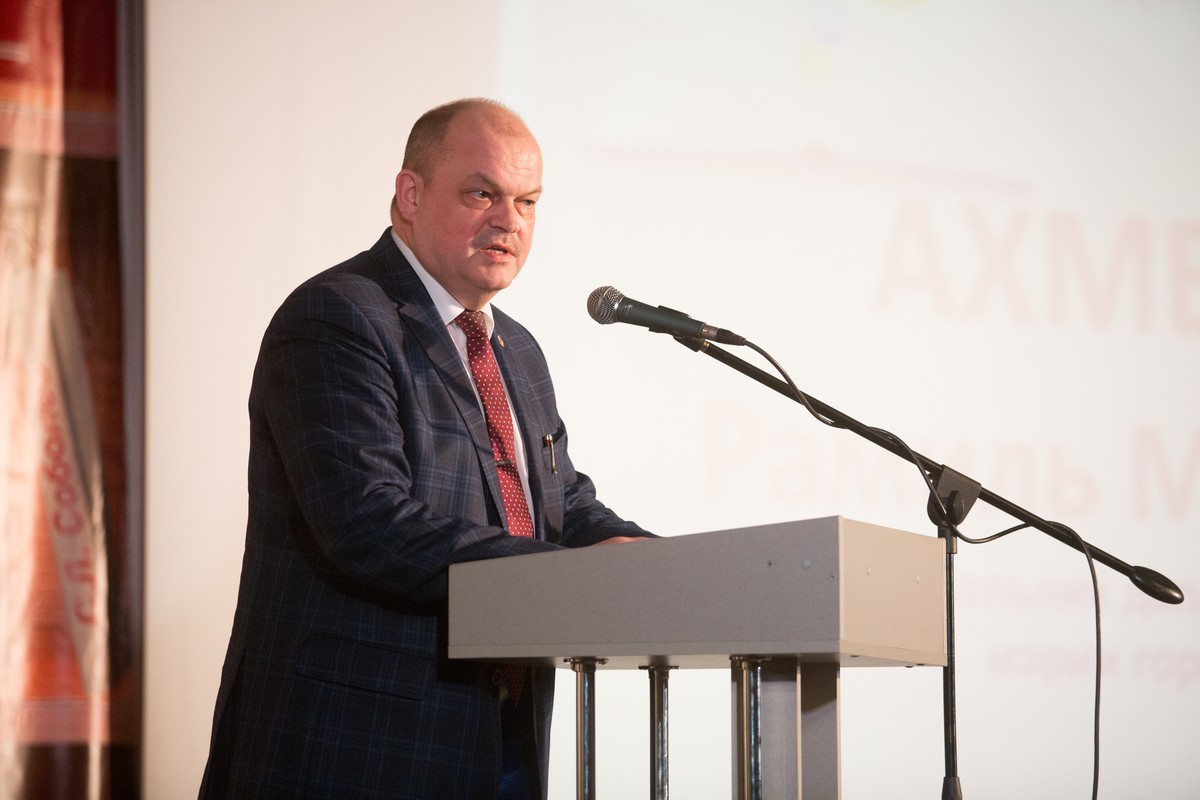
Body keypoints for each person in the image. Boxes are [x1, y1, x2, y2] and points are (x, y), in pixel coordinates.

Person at [198, 98, 651, 800]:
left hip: (501, 734)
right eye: (482, 193)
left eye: (528, 201)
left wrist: (657, 565)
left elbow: (561, 504)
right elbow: (365, 520)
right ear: (410, 195)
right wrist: (570, 574)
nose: (509, 221)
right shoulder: (338, 317)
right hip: (357, 745)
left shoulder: (517, 349)